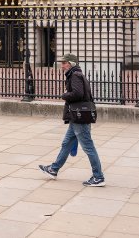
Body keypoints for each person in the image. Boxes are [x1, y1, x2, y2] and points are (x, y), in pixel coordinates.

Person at [39, 53, 106, 187]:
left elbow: (78, 94)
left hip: (79, 116)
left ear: (72, 64)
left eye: (64, 63)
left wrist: (64, 95)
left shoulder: (75, 75)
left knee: (88, 146)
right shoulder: (76, 74)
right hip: (77, 116)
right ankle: (54, 169)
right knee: (66, 143)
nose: (62, 66)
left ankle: (98, 177)